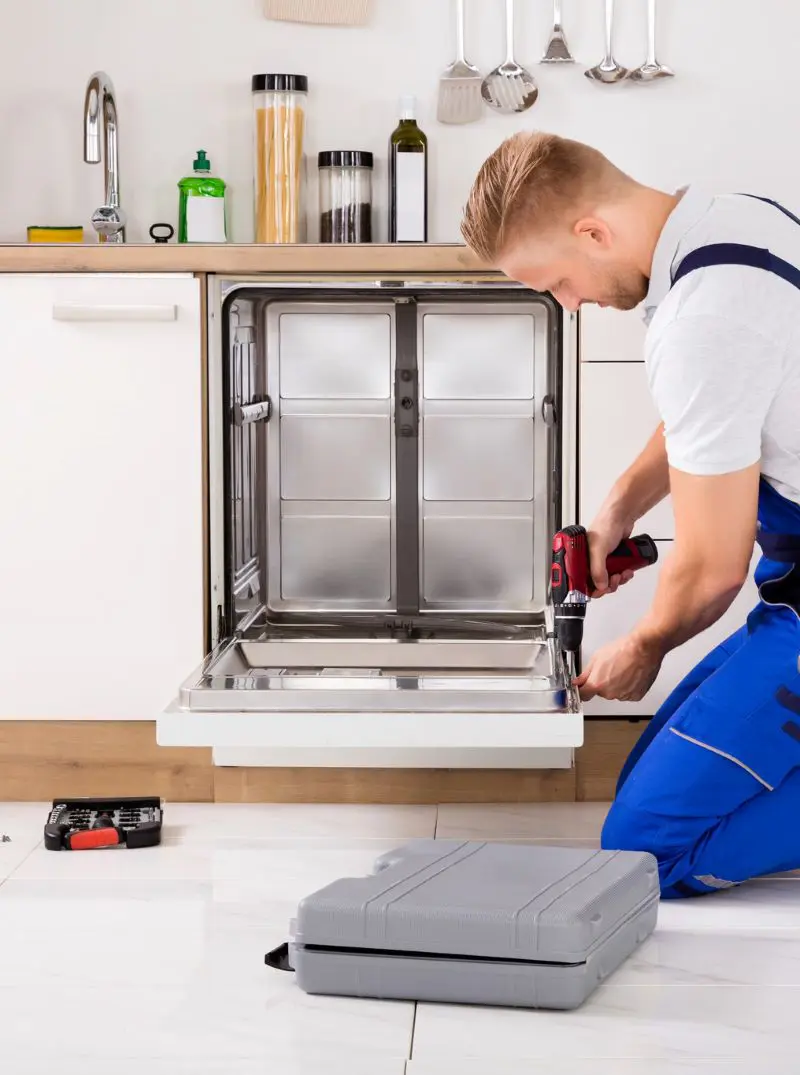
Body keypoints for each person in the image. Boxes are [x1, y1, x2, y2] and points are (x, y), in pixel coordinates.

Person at [461, 131, 800, 898]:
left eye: (556, 283)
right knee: (647, 768)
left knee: (647, 844)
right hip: (795, 587)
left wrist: (645, 643)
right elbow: (713, 408)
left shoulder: (703, 318)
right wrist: (615, 510)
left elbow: (715, 568)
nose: (569, 305)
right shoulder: (728, 223)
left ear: (592, 233)